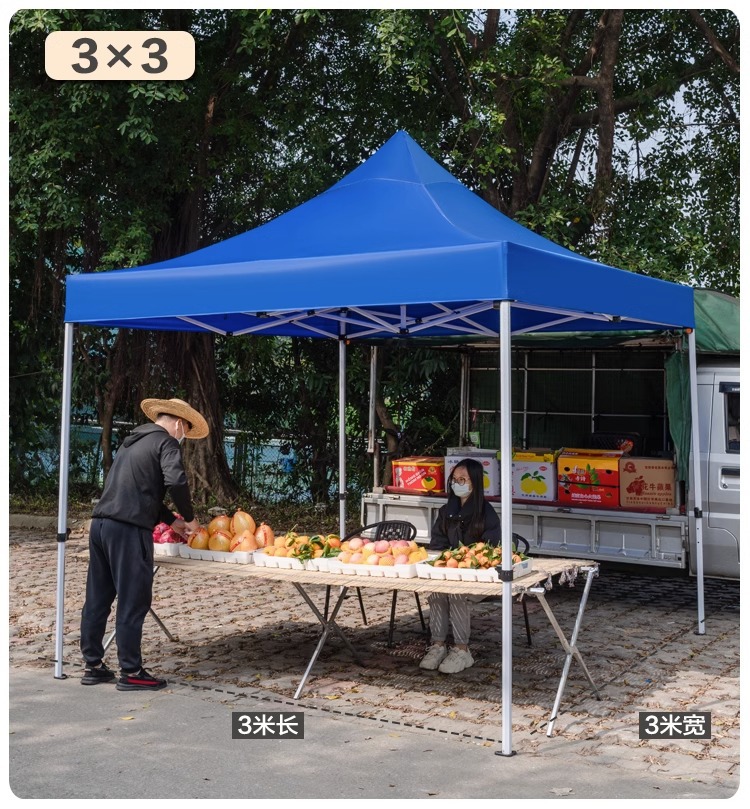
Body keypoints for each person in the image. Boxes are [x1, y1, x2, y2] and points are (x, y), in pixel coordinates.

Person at [79, 397, 208, 691]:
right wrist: (189, 518)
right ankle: (131, 671)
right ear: (179, 423)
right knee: (133, 599)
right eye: (186, 431)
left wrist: (170, 520)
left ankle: (93, 665)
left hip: (101, 525)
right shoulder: (167, 442)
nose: (184, 437)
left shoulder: (132, 442)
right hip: (129, 529)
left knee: (98, 598)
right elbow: (176, 481)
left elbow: (138, 489)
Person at [419, 458, 500, 674]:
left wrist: (466, 561)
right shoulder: (446, 511)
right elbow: (437, 545)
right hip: (449, 574)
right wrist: (446, 560)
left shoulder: (487, 514)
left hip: (479, 579)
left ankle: (462, 650)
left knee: (456, 593)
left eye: (463, 479)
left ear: (475, 482)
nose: (457, 484)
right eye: (454, 479)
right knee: (437, 591)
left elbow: (490, 552)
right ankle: (437, 645)